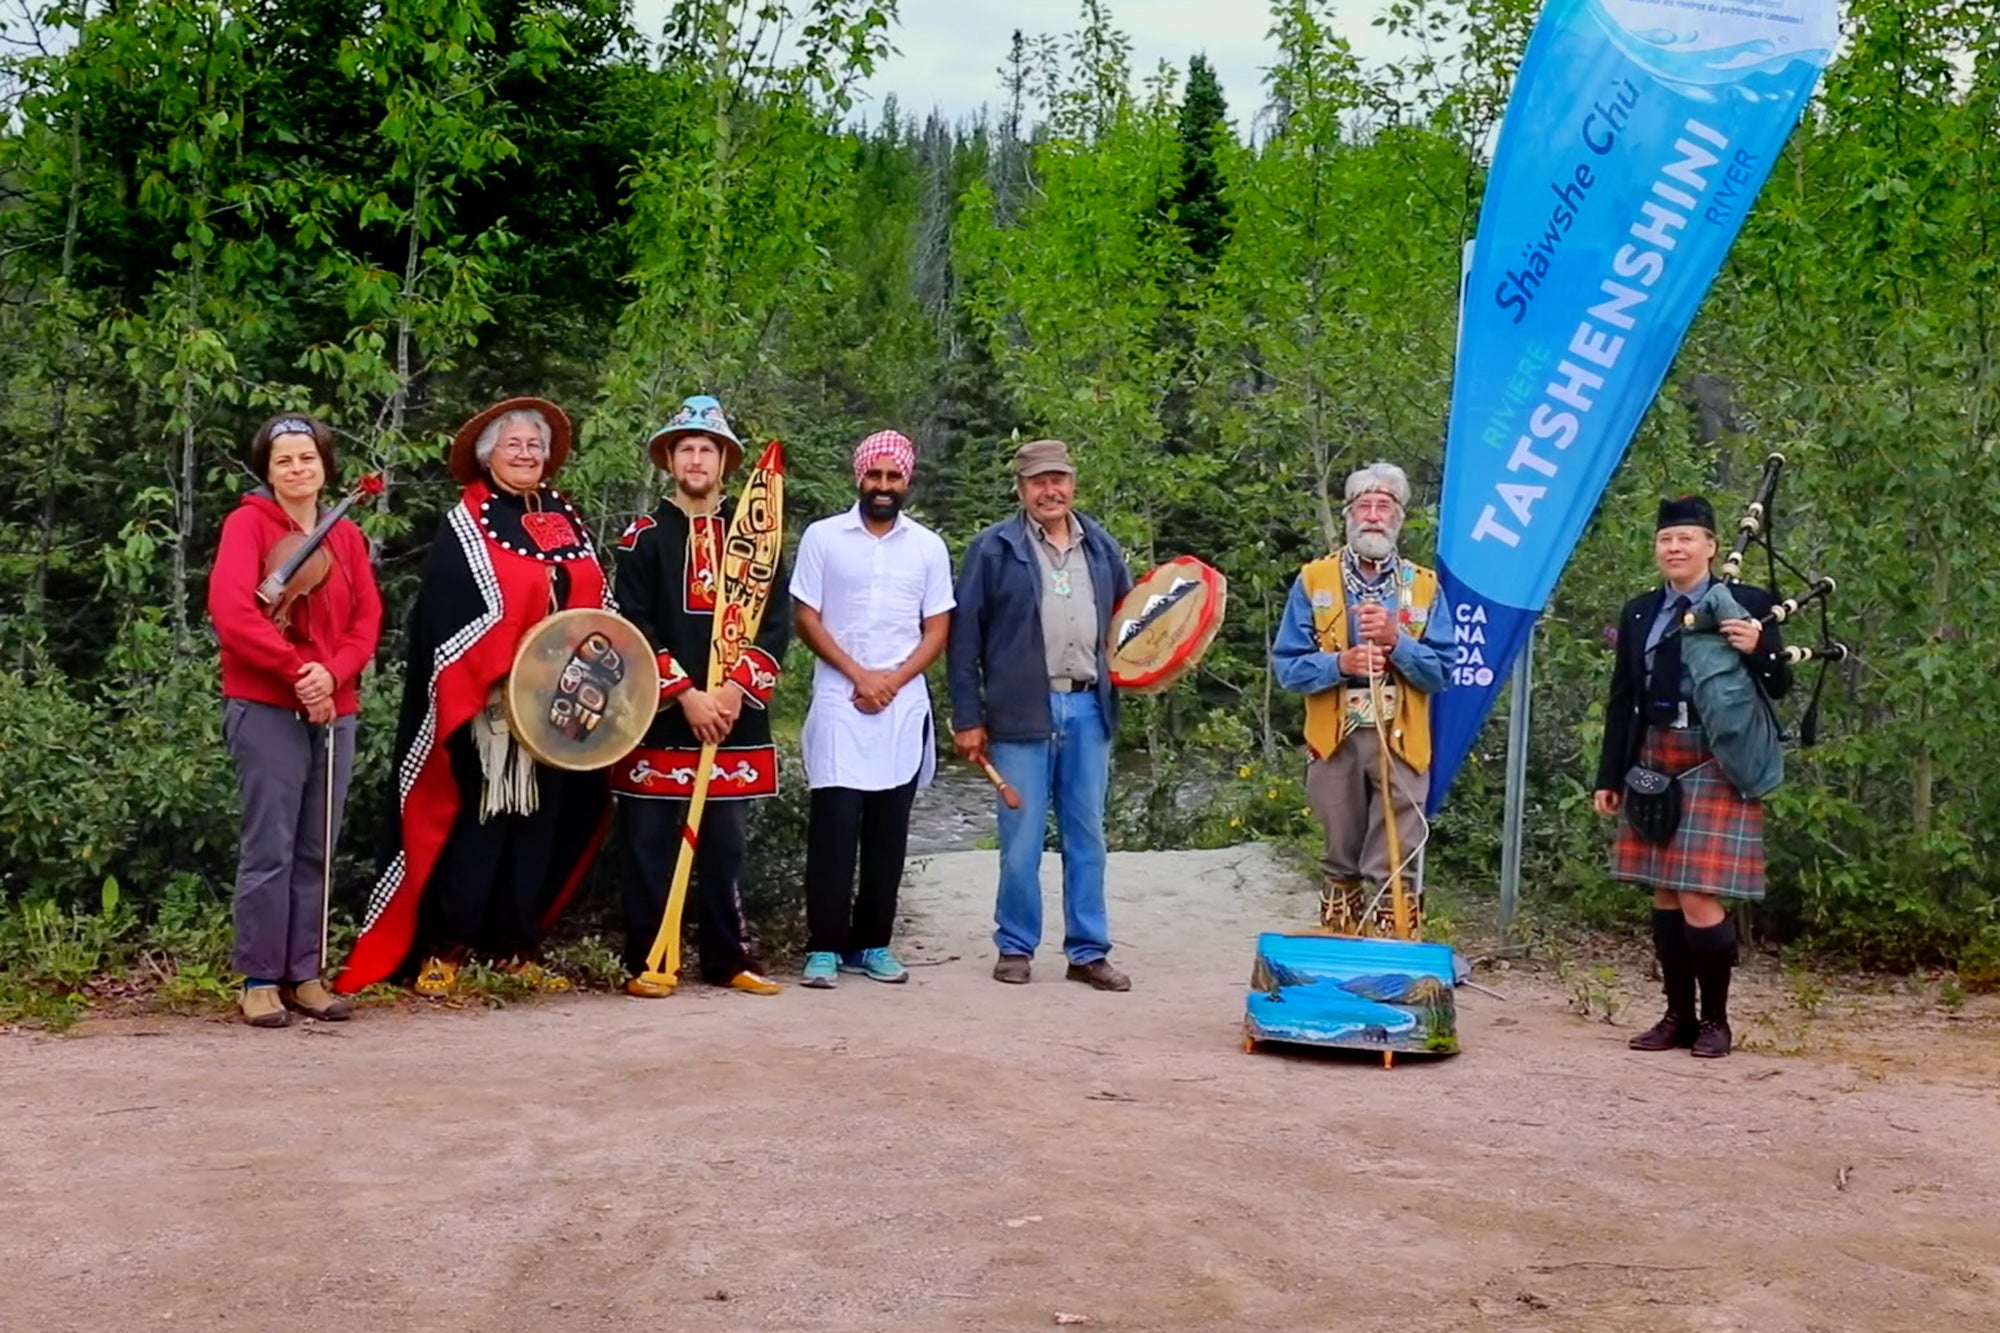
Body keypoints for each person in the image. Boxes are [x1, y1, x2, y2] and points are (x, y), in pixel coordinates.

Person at [334, 398, 610, 997]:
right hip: (487, 702)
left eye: (535, 445)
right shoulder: (470, 517)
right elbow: (453, 609)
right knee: (478, 823)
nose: (527, 454)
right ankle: (445, 947)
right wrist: (510, 660)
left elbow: (596, 599)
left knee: (538, 823)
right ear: (489, 456)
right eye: (514, 445)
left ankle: (515, 946)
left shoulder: (565, 515)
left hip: (563, 706)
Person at [1594, 494, 1793, 1059]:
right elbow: (1623, 699)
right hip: (1655, 754)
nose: (1675, 547)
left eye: (1686, 538)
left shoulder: (1748, 603)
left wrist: (1760, 648)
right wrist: (1611, 774)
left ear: (1710, 546)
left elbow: (1778, 686)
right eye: (1666, 539)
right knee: (1663, 892)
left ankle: (1716, 1022)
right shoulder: (1640, 612)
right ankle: (1677, 1016)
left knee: (1698, 896)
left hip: (1716, 756)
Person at [613, 394, 791, 998]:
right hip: (663, 716)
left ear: (723, 461)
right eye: (686, 448)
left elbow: (774, 622)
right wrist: (685, 693)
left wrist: (736, 690)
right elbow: (632, 623)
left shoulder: (756, 540)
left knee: (724, 845)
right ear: (669, 458)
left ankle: (726, 957)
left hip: (732, 717)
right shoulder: (641, 538)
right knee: (649, 845)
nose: (695, 459)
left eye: (706, 449)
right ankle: (648, 958)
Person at [208, 413, 382, 1027]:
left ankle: (304, 975)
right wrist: (297, 671)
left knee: (317, 849)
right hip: (266, 703)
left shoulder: (347, 537)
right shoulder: (247, 525)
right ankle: (259, 978)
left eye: (307, 458)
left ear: (324, 465)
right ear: (268, 470)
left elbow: (367, 621)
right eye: (284, 460)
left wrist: (331, 674)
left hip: (336, 703)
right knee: (270, 847)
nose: (297, 469)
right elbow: (233, 613)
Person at [948, 438, 1134, 991]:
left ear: (1072, 484)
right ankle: (1015, 946)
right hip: (1020, 711)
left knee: (1087, 836)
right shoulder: (992, 549)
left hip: (1088, 707)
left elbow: (1131, 628)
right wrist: (967, 716)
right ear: (1021, 488)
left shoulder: (1101, 548)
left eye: (1058, 479)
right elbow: (964, 642)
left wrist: (1154, 666)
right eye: (1037, 481)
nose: (1049, 490)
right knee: (1021, 837)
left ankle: (1087, 951)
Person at [790, 430, 954, 989]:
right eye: (874, 476)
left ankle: (874, 944)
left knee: (889, 833)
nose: (883, 487)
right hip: (840, 698)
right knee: (833, 828)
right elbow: (806, 616)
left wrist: (891, 681)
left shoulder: (928, 547)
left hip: (902, 704)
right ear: (858, 477)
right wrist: (859, 675)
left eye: (893, 477)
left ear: (908, 482)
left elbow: (938, 627)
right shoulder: (823, 537)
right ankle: (824, 948)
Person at [1271, 462, 1454, 936]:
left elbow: (1441, 672)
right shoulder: (1314, 581)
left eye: (1385, 506)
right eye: (1364, 506)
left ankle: (1397, 964)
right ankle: (1342, 955)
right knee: (1340, 853)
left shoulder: (1424, 586)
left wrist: (1398, 642)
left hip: (1402, 738)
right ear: (1349, 514)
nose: (1374, 516)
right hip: (1336, 738)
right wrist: (1340, 665)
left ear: (1399, 518)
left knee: (1398, 855)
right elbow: (1288, 666)